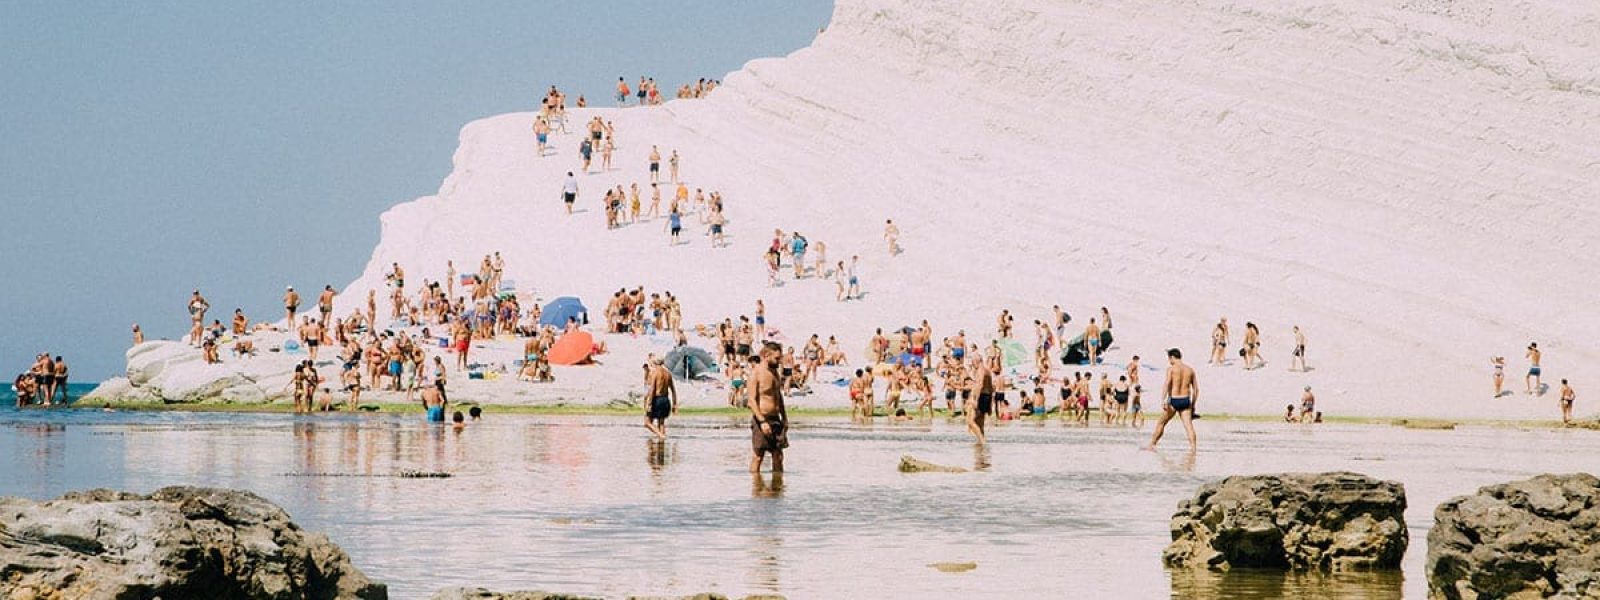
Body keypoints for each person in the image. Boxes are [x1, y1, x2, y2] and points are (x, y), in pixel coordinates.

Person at [1147, 348, 1199, 450]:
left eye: (1169, 359)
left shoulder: (1171, 369)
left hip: (1174, 400)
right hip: (1185, 400)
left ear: (1172, 357)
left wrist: (1163, 400)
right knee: (1189, 427)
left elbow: (1167, 384)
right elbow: (1196, 390)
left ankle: (1152, 445)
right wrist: (1193, 405)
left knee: (1161, 423)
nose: (1169, 361)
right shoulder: (1190, 370)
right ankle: (1193, 449)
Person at [749, 341, 788, 473]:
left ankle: (778, 489)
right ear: (766, 356)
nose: (779, 361)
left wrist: (785, 418)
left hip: (776, 419)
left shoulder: (775, 372)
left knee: (778, 456)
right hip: (762, 419)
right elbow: (751, 401)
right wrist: (762, 421)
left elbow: (779, 396)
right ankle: (755, 487)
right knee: (758, 457)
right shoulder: (756, 373)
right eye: (777, 358)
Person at [644, 357, 677, 439]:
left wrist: (649, 403)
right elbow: (673, 390)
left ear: (655, 363)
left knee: (647, 422)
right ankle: (661, 447)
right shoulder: (668, 373)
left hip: (657, 399)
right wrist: (674, 404)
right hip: (665, 399)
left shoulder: (655, 373)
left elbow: (653, 389)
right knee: (661, 423)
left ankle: (661, 436)